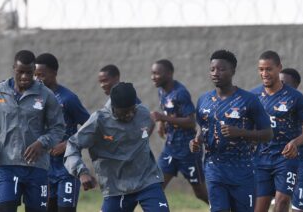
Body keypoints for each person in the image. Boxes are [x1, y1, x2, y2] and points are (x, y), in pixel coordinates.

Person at [64, 82, 169, 212]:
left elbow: (147, 127)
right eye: (124, 112)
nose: (129, 115)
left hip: (147, 181)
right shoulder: (99, 120)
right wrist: (81, 172)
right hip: (116, 187)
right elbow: (72, 145)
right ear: (113, 107)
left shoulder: (142, 113)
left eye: (132, 110)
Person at [190, 50, 273, 212]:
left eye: (221, 69)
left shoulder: (248, 100)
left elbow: (268, 134)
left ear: (233, 71)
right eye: (212, 69)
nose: (215, 73)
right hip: (214, 169)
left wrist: (241, 132)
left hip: (243, 171)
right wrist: (196, 141)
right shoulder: (203, 100)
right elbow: (203, 127)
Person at [0, 50, 65, 212]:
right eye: (20, 72)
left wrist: (41, 143)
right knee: (5, 208)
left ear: (34, 70)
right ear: (14, 68)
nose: (25, 77)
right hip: (7, 164)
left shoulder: (46, 95)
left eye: (29, 72)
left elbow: (58, 128)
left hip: (37, 167)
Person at [251, 50, 303, 212]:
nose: (264, 73)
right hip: (261, 158)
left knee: (282, 201)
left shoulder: (295, 97)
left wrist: (295, 142)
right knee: (259, 208)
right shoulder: (252, 96)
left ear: (279, 68)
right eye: (261, 69)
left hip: (286, 158)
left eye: (269, 69)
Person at [34, 53, 90, 212]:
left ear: (54, 73)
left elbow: (90, 127)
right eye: (35, 75)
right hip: (44, 169)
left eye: (42, 75)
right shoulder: (34, 98)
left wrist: (68, 144)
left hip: (67, 168)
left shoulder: (68, 98)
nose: (38, 79)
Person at [150, 59, 209, 204]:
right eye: (152, 73)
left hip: (188, 151)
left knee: (200, 193)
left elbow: (190, 122)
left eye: (157, 73)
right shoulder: (161, 91)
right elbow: (169, 112)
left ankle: (223, 208)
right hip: (170, 149)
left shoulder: (180, 93)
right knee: (156, 187)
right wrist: (162, 123)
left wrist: (162, 117)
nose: (153, 76)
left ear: (169, 74)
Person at [279, 68, 303, 212]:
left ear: (296, 86)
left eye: (283, 83)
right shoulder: (274, 109)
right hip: (283, 165)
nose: (279, 87)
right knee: (280, 203)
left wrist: (295, 143)